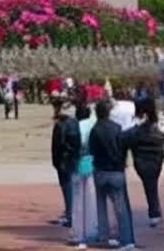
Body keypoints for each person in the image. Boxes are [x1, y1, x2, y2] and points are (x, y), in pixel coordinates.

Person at [88, 98, 136, 251]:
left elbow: (92, 150)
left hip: (101, 170)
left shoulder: (95, 130)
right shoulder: (117, 128)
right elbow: (122, 148)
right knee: (120, 207)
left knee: (101, 204)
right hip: (116, 171)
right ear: (108, 113)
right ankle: (126, 240)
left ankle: (104, 235)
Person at [123, 97, 164, 228]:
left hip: (142, 159)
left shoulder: (138, 126)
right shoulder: (155, 123)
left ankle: (154, 212)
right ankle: (155, 211)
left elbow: (127, 137)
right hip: (154, 158)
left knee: (150, 186)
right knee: (151, 185)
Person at [70, 104, 97, 250]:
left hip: (78, 164)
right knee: (91, 198)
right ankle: (93, 228)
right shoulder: (93, 125)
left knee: (78, 199)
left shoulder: (75, 127)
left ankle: (78, 233)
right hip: (92, 163)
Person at [50, 103, 77, 229]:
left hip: (63, 161)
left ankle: (70, 215)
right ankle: (70, 213)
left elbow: (60, 144)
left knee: (67, 188)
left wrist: (58, 161)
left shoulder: (61, 125)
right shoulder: (74, 123)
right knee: (70, 188)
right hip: (70, 160)